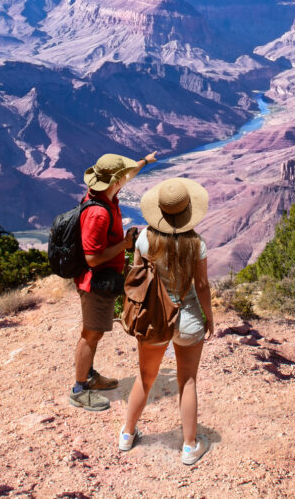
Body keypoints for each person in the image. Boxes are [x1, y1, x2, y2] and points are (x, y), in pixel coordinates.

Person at [120, 177, 214, 466]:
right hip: (188, 318)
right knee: (188, 381)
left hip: (154, 318)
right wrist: (209, 317)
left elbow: (138, 278)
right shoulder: (196, 244)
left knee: (145, 377)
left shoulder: (144, 239)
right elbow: (202, 286)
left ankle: (127, 434)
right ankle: (189, 446)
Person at [70, 151, 156, 412]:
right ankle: (79, 389)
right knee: (91, 334)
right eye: (121, 177)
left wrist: (145, 161)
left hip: (102, 279)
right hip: (94, 282)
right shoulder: (99, 213)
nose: (125, 179)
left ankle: (89, 376)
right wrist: (125, 244)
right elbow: (92, 257)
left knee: (95, 333)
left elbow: (128, 175)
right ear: (114, 181)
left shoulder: (104, 194)